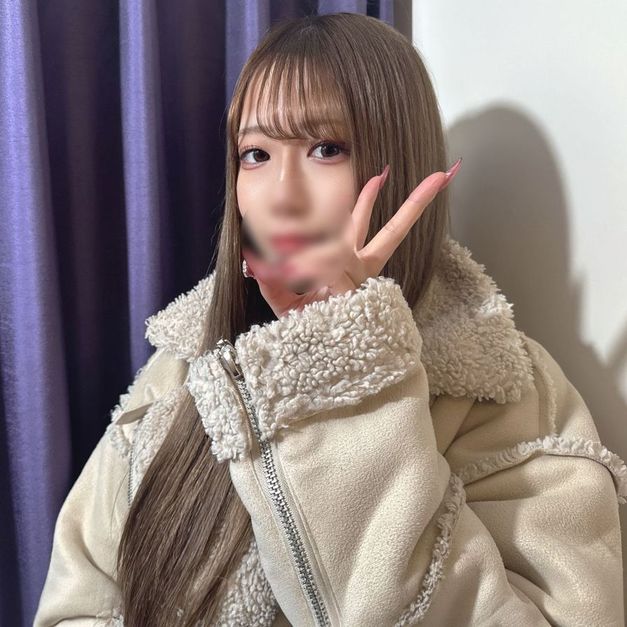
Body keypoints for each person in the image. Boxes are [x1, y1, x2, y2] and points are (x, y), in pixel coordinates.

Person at [34, 12, 625, 627]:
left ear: (400, 161)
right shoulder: (180, 369)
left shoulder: (506, 393)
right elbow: (78, 606)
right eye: (255, 154)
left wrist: (335, 370)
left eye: (326, 149)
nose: (281, 194)